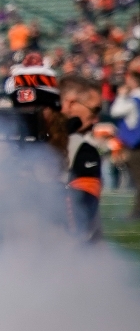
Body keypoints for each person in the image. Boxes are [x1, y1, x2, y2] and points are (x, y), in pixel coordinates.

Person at [59, 74, 105, 242]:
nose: (96, 119)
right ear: (70, 103)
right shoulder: (82, 148)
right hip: (69, 250)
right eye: (94, 110)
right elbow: (83, 212)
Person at [112, 62, 140, 217]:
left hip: (135, 145)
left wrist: (122, 95)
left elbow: (115, 111)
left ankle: (137, 212)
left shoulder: (132, 99)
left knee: (138, 180)